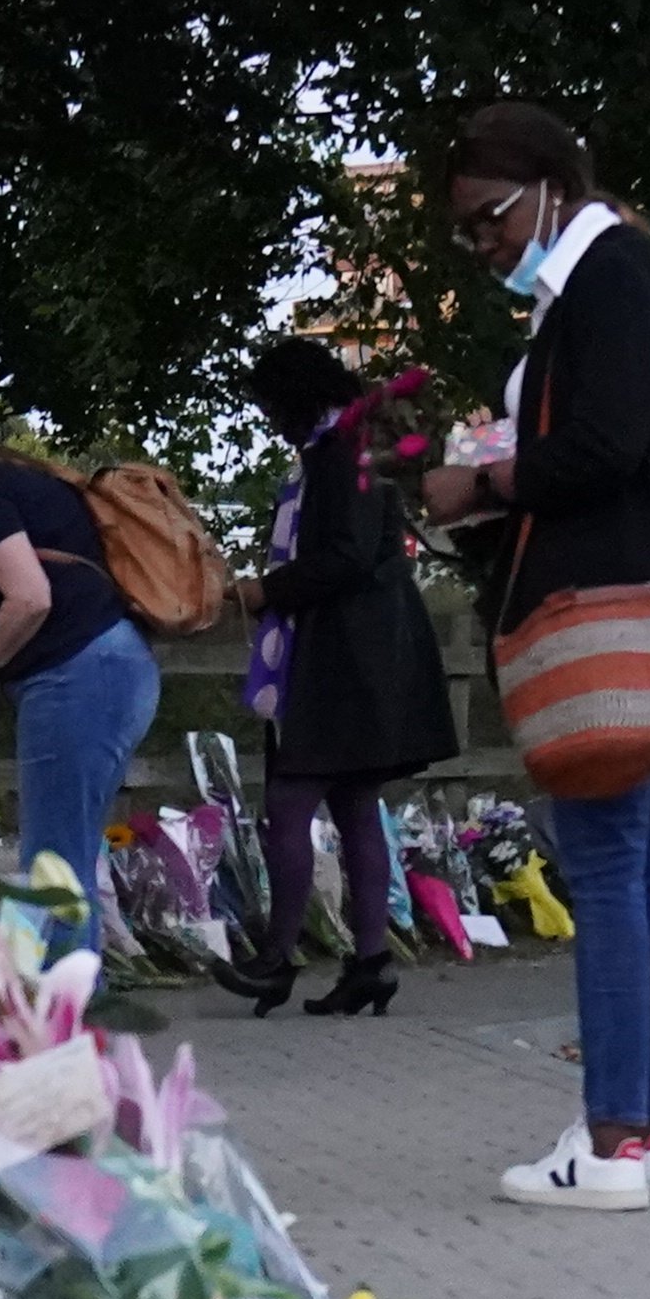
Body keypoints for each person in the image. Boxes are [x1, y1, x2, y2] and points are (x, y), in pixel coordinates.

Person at [412, 103, 650, 1210]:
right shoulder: (638, 274)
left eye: (489, 218)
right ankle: (648, 1133)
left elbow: (605, 447)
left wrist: (487, 482)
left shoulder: (605, 277)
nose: (484, 245)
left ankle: (612, 1139)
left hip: (625, 611)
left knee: (612, 866)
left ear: (550, 186)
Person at [229, 335, 461, 1015]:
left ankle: (276, 959)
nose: (272, 420)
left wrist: (265, 590)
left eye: (274, 406)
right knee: (357, 804)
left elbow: (344, 556)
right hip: (375, 650)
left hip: (343, 655)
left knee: (291, 802)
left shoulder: (337, 456)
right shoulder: (354, 448)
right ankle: (370, 961)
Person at [0, 437, 157, 955]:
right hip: (116, 665)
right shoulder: (24, 480)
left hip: (76, 676)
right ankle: (76, 1010)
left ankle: (50, 1013)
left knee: (50, 866)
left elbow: (30, 596)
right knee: (69, 860)